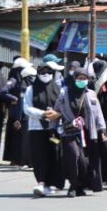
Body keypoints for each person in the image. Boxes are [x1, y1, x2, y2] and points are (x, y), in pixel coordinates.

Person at [55, 67, 106, 196]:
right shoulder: (64, 93)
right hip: (69, 131)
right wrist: (53, 128)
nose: (82, 80)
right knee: (73, 155)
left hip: (87, 132)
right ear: (74, 78)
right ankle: (72, 185)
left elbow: (98, 113)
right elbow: (57, 111)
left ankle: (80, 186)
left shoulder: (91, 94)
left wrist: (102, 130)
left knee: (84, 161)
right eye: (79, 78)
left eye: (84, 78)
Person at [23, 59, 65, 196]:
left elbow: (65, 108)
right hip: (37, 129)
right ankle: (41, 183)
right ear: (38, 73)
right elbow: (26, 108)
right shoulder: (31, 89)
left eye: (48, 72)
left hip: (55, 130)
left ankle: (52, 183)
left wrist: (56, 114)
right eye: (42, 72)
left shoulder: (59, 89)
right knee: (39, 156)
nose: (45, 74)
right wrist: (43, 114)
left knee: (55, 154)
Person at [1, 60, 30, 166]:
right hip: (15, 114)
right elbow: (3, 91)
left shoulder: (25, 80)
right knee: (16, 139)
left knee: (22, 139)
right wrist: (13, 98)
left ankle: (22, 159)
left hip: (24, 113)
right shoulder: (13, 80)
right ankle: (15, 159)